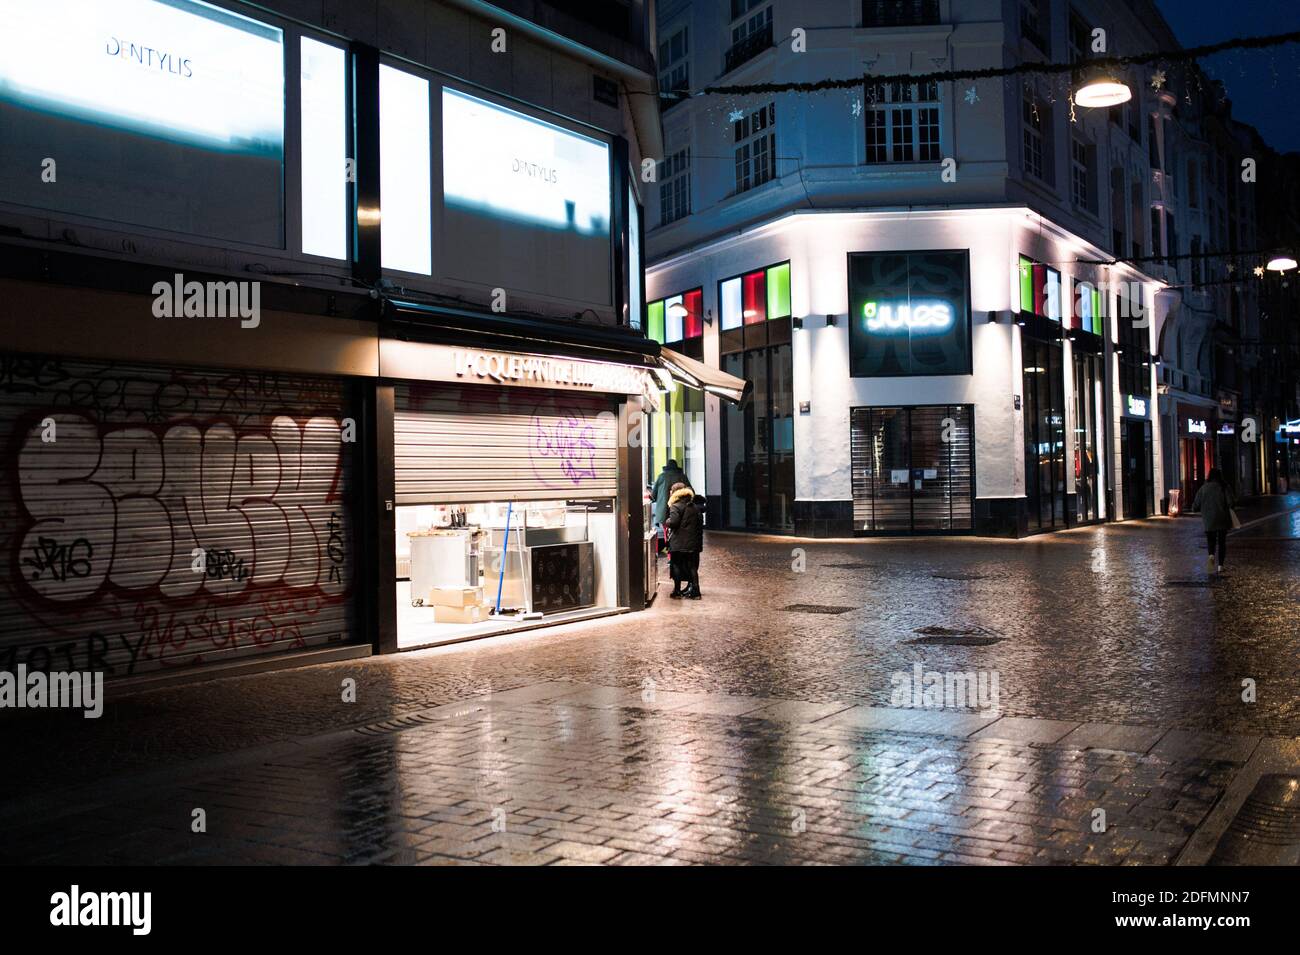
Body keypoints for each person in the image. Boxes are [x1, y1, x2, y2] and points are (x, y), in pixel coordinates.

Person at [1192, 468, 1236, 574]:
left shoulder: (1203, 488)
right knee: (1222, 543)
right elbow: (1231, 502)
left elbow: (1195, 506)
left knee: (1211, 542)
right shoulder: (1224, 487)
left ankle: (1211, 559)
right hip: (1222, 519)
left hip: (1209, 520)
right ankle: (1220, 566)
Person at [664, 481, 703, 599]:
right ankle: (696, 592)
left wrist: (667, 522)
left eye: (671, 490)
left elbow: (674, 522)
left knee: (676, 565)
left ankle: (677, 591)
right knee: (692, 567)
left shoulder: (675, 506)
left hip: (679, 543)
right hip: (693, 543)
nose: (670, 492)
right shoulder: (694, 506)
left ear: (676, 492)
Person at [651, 459, 689, 551]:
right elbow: (690, 491)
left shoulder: (661, 477)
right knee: (679, 532)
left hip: (664, 511)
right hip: (680, 509)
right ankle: (678, 550)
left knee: (666, 532)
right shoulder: (682, 477)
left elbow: (653, 496)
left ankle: (670, 553)